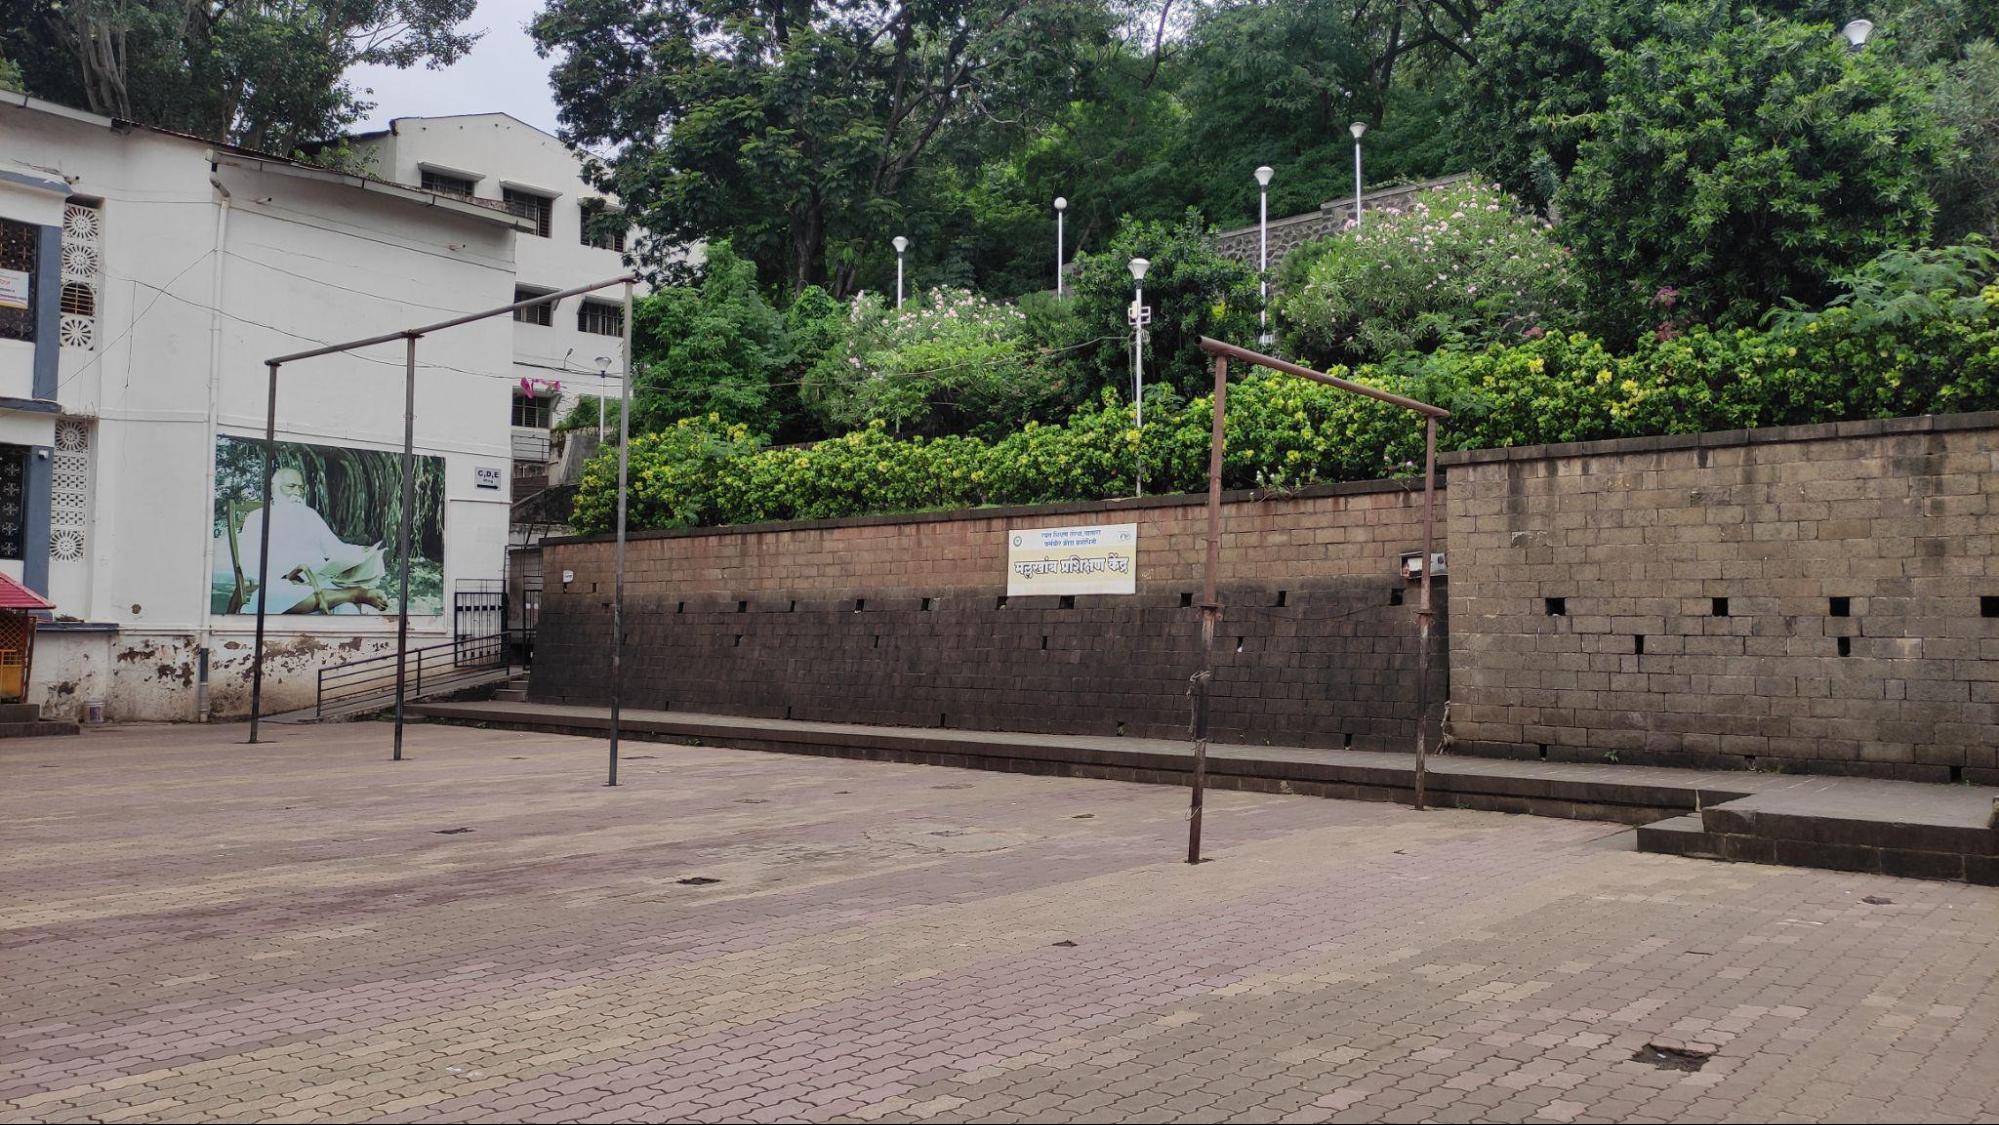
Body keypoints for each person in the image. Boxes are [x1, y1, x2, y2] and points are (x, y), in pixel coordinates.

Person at [234, 467, 391, 614]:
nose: (297, 492)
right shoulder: (257, 518)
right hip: (281, 585)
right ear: (274, 489)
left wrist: (359, 552)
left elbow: (335, 548)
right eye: (291, 486)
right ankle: (355, 594)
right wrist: (285, 577)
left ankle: (350, 598)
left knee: (347, 610)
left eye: (301, 488)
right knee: (271, 596)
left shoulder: (310, 515)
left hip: (318, 582)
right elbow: (249, 564)